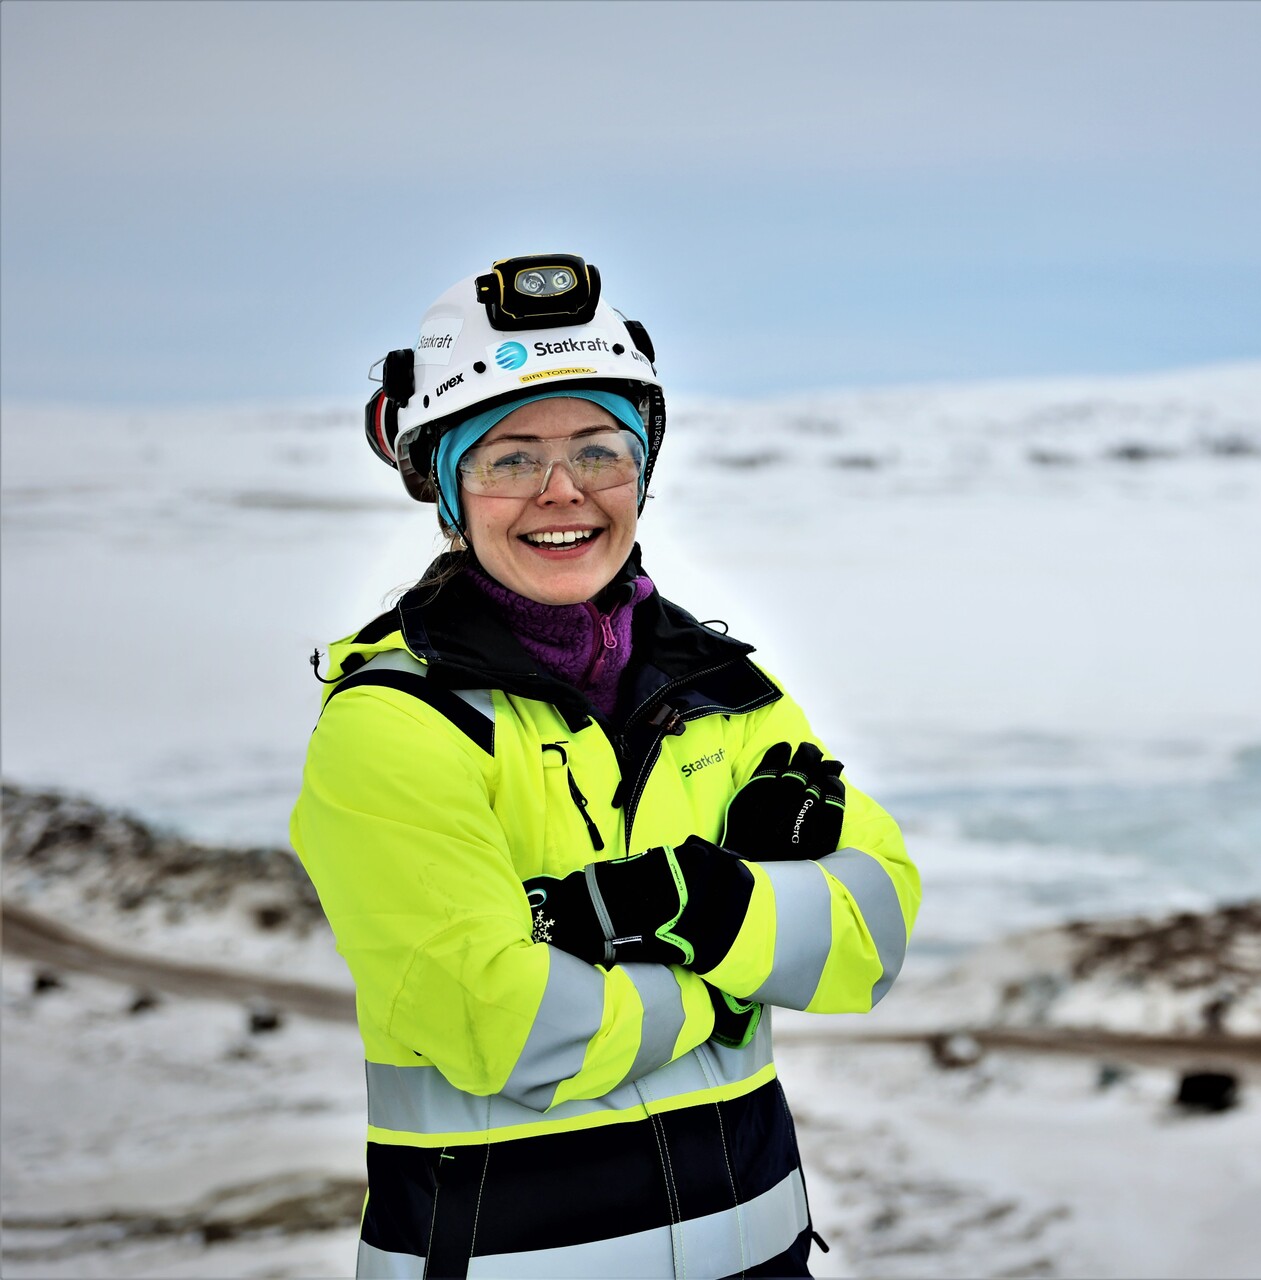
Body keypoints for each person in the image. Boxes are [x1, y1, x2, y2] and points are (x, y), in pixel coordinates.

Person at [291, 254, 918, 1279]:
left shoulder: (726, 690)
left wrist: (702, 906)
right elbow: (507, 1024)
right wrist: (733, 980)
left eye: (600, 450)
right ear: (445, 486)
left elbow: (874, 931)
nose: (563, 493)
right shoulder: (398, 725)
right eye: (507, 458)